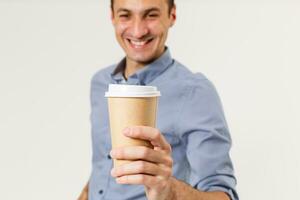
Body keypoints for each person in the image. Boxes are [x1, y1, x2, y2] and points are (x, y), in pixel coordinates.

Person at [78, 0, 238, 199]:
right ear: (112, 16)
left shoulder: (195, 92)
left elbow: (224, 196)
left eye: (151, 15)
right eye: (125, 15)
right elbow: (102, 168)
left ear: (172, 15)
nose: (137, 31)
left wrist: (168, 190)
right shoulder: (101, 83)